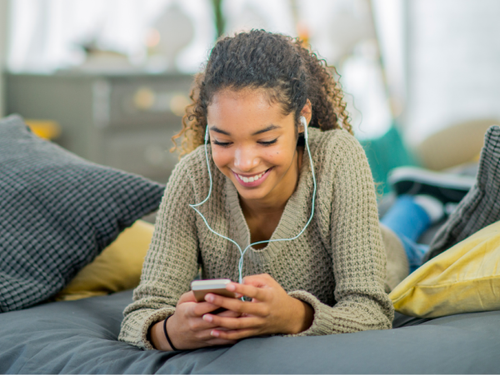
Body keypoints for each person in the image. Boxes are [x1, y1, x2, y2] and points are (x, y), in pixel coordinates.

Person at [117, 30, 464, 351]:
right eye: (222, 140)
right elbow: (140, 314)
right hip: (363, 231)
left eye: (265, 140)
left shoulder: (336, 157)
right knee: (395, 217)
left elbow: (370, 311)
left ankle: (419, 200)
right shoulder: (193, 177)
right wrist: (170, 332)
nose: (244, 162)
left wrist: (293, 317)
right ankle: (416, 198)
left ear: (302, 118)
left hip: (393, 258)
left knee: (423, 247)